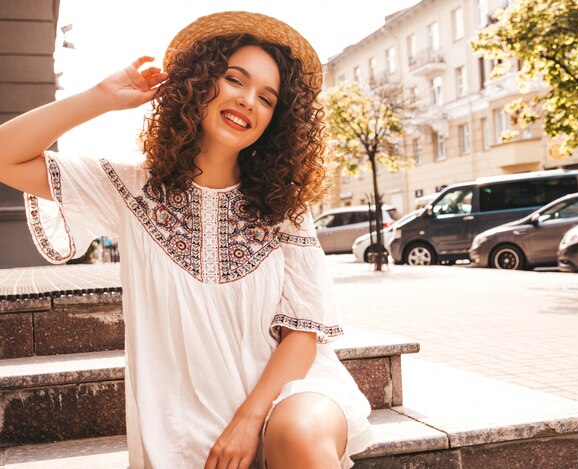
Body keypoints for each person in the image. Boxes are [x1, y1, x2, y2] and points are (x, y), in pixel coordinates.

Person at [0, 11, 375, 469]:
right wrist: (101, 98)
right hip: (182, 421)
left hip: (289, 397)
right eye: (235, 80)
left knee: (295, 433)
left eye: (267, 98)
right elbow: (5, 156)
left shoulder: (285, 210)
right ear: (199, 83)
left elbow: (304, 332)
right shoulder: (130, 188)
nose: (249, 101)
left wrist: (248, 420)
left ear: (276, 122)